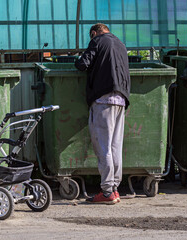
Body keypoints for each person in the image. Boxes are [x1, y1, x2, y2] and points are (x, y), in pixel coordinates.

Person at [75, 23, 131, 204]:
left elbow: (82, 65)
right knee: (115, 147)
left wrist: (78, 58)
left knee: (104, 147)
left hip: (103, 100)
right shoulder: (120, 44)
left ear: (94, 33)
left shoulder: (97, 41)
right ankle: (114, 189)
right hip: (121, 99)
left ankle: (106, 192)